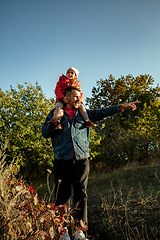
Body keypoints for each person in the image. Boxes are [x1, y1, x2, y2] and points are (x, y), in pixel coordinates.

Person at [42, 86, 138, 240]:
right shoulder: (56, 114)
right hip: (61, 160)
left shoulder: (83, 114)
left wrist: (121, 107)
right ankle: (63, 232)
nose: (78, 99)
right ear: (65, 98)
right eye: (74, 97)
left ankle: (80, 231)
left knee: (81, 194)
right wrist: (54, 120)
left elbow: (103, 112)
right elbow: (45, 133)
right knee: (62, 196)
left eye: (79, 96)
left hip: (82, 160)